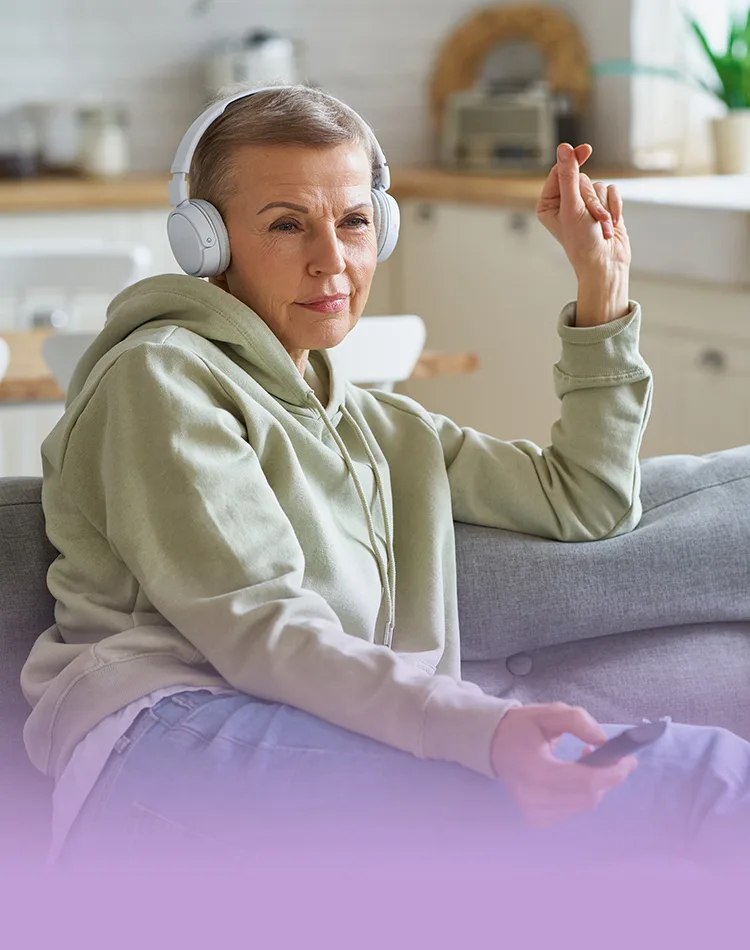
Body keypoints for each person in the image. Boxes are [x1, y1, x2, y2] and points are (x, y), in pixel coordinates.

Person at [19, 85, 750, 875]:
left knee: (678, 782)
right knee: (689, 780)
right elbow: (261, 626)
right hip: (162, 739)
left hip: (329, 729)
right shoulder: (160, 378)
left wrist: (601, 294)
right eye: (287, 224)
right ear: (208, 242)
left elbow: (585, 501)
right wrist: (485, 731)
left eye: (355, 221)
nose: (331, 259)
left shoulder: (383, 427)